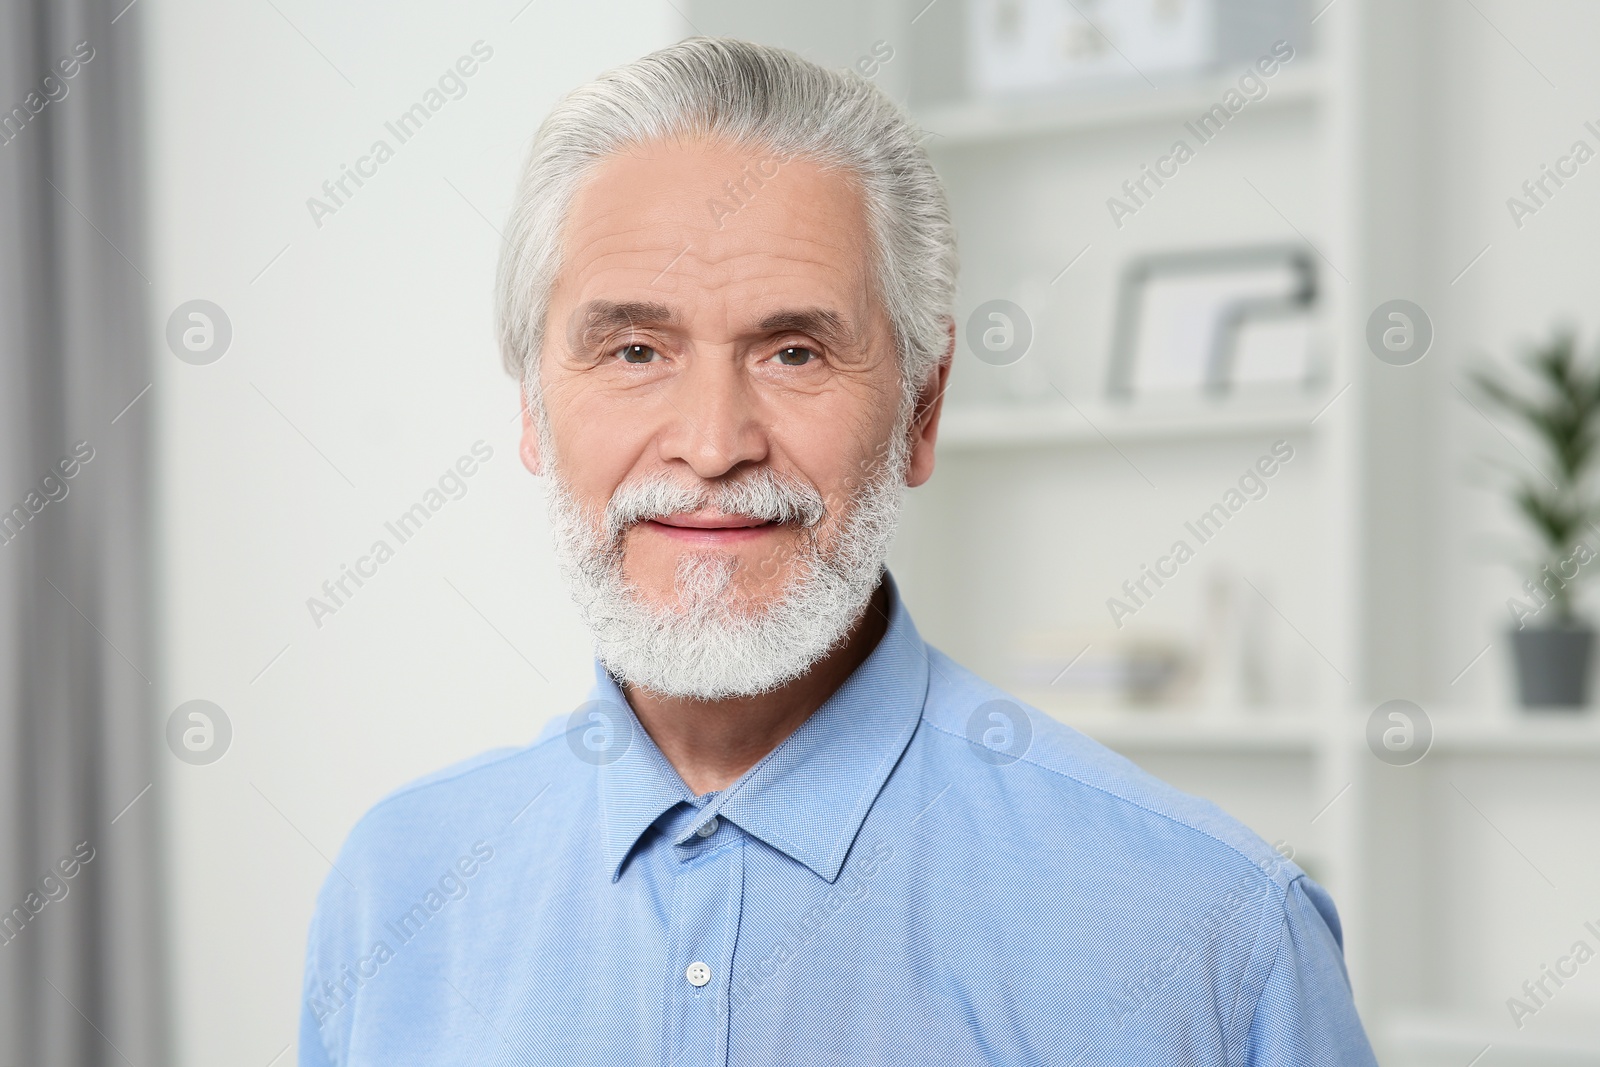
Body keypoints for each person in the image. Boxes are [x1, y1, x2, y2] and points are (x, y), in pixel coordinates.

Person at [298, 36, 1378, 1066]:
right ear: (533, 408)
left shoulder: (1216, 932)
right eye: (634, 348)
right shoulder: (395, 889)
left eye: (795, 349)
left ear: (921, 408)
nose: (713, 445)